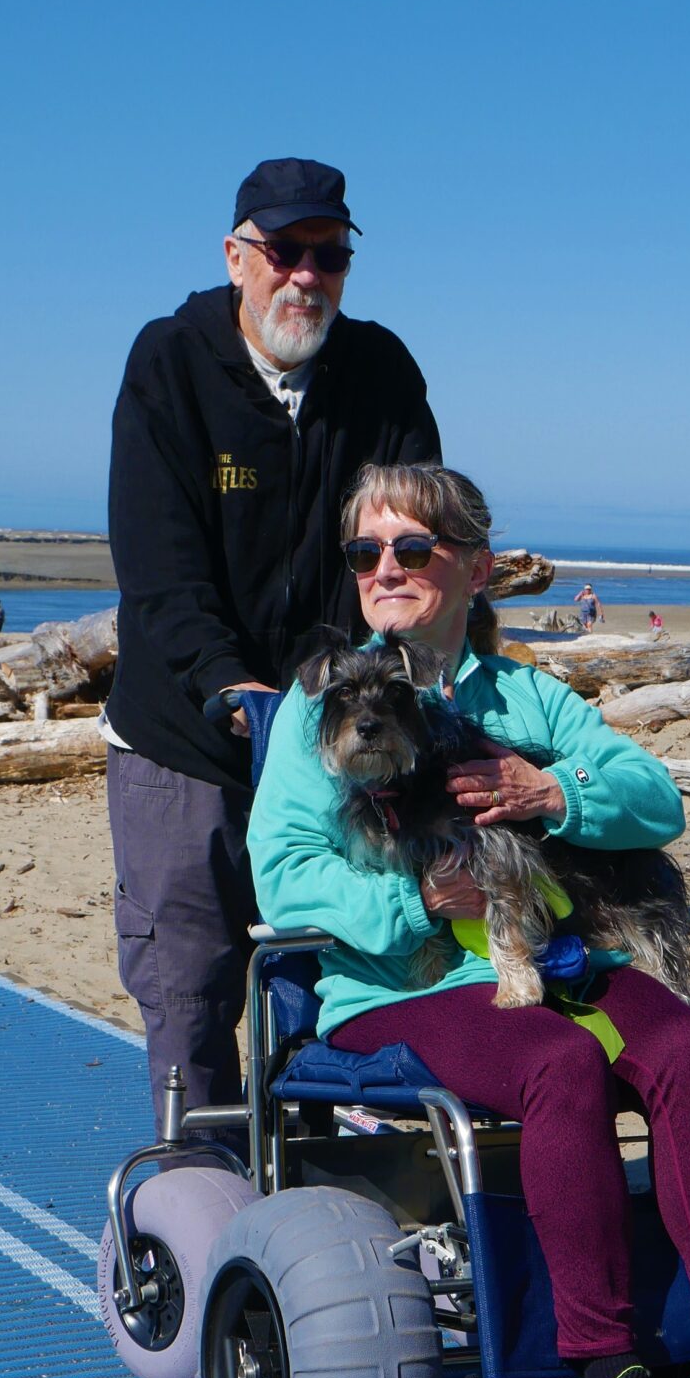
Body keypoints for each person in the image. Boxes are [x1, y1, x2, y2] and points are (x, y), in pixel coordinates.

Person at [249, 463, 690, 1378]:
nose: (384, 570)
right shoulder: (323, 701)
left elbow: (657, 800)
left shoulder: (523, 696)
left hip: (549, 956)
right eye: (364, 552)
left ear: (475, 567)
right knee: (559, 1064)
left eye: (412, 549)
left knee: (689, 1050)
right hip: (403, 983)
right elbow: (284, 868)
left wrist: (552, 788)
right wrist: (423, 901)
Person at [101, 158, 440, 1122]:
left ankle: (312, 1209)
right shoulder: (169, 363)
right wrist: (227, 681)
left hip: (334, 733)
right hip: (187, 737)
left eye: (328, 256)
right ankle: (195, 1207)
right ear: (238, 256)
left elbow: (403, 545)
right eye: (284, 251)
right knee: (193, 992)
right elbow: (159, 563)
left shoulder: (380, 373)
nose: (305, 276)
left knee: (330, 982)